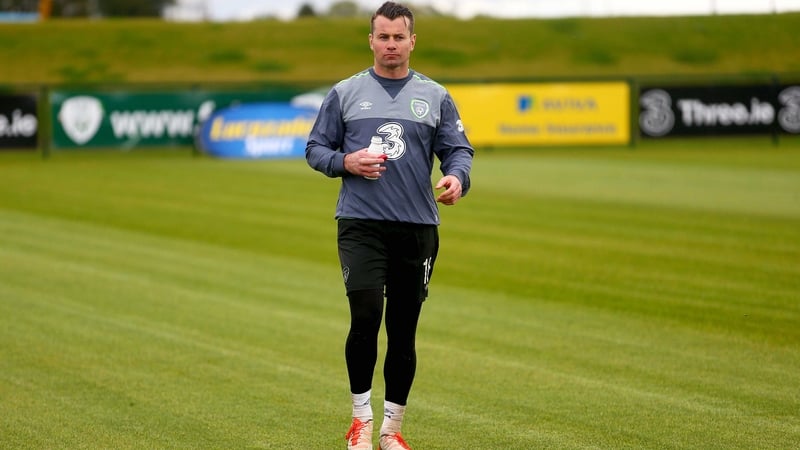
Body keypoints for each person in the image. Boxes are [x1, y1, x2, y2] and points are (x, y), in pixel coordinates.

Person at [305, 2, 474, 449]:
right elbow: (315, 149)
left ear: (412, 41)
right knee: (365, 317)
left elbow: (458, 150)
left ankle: (391, 431)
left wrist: (457, 177)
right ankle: (360, 423)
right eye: (383, 36)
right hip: (360, 224)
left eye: (399, 37)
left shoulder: (435, 96)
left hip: (416, 228)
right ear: (371, 40)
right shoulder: (345, 93)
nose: (391, 45)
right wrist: (346, 161)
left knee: (403, 330)